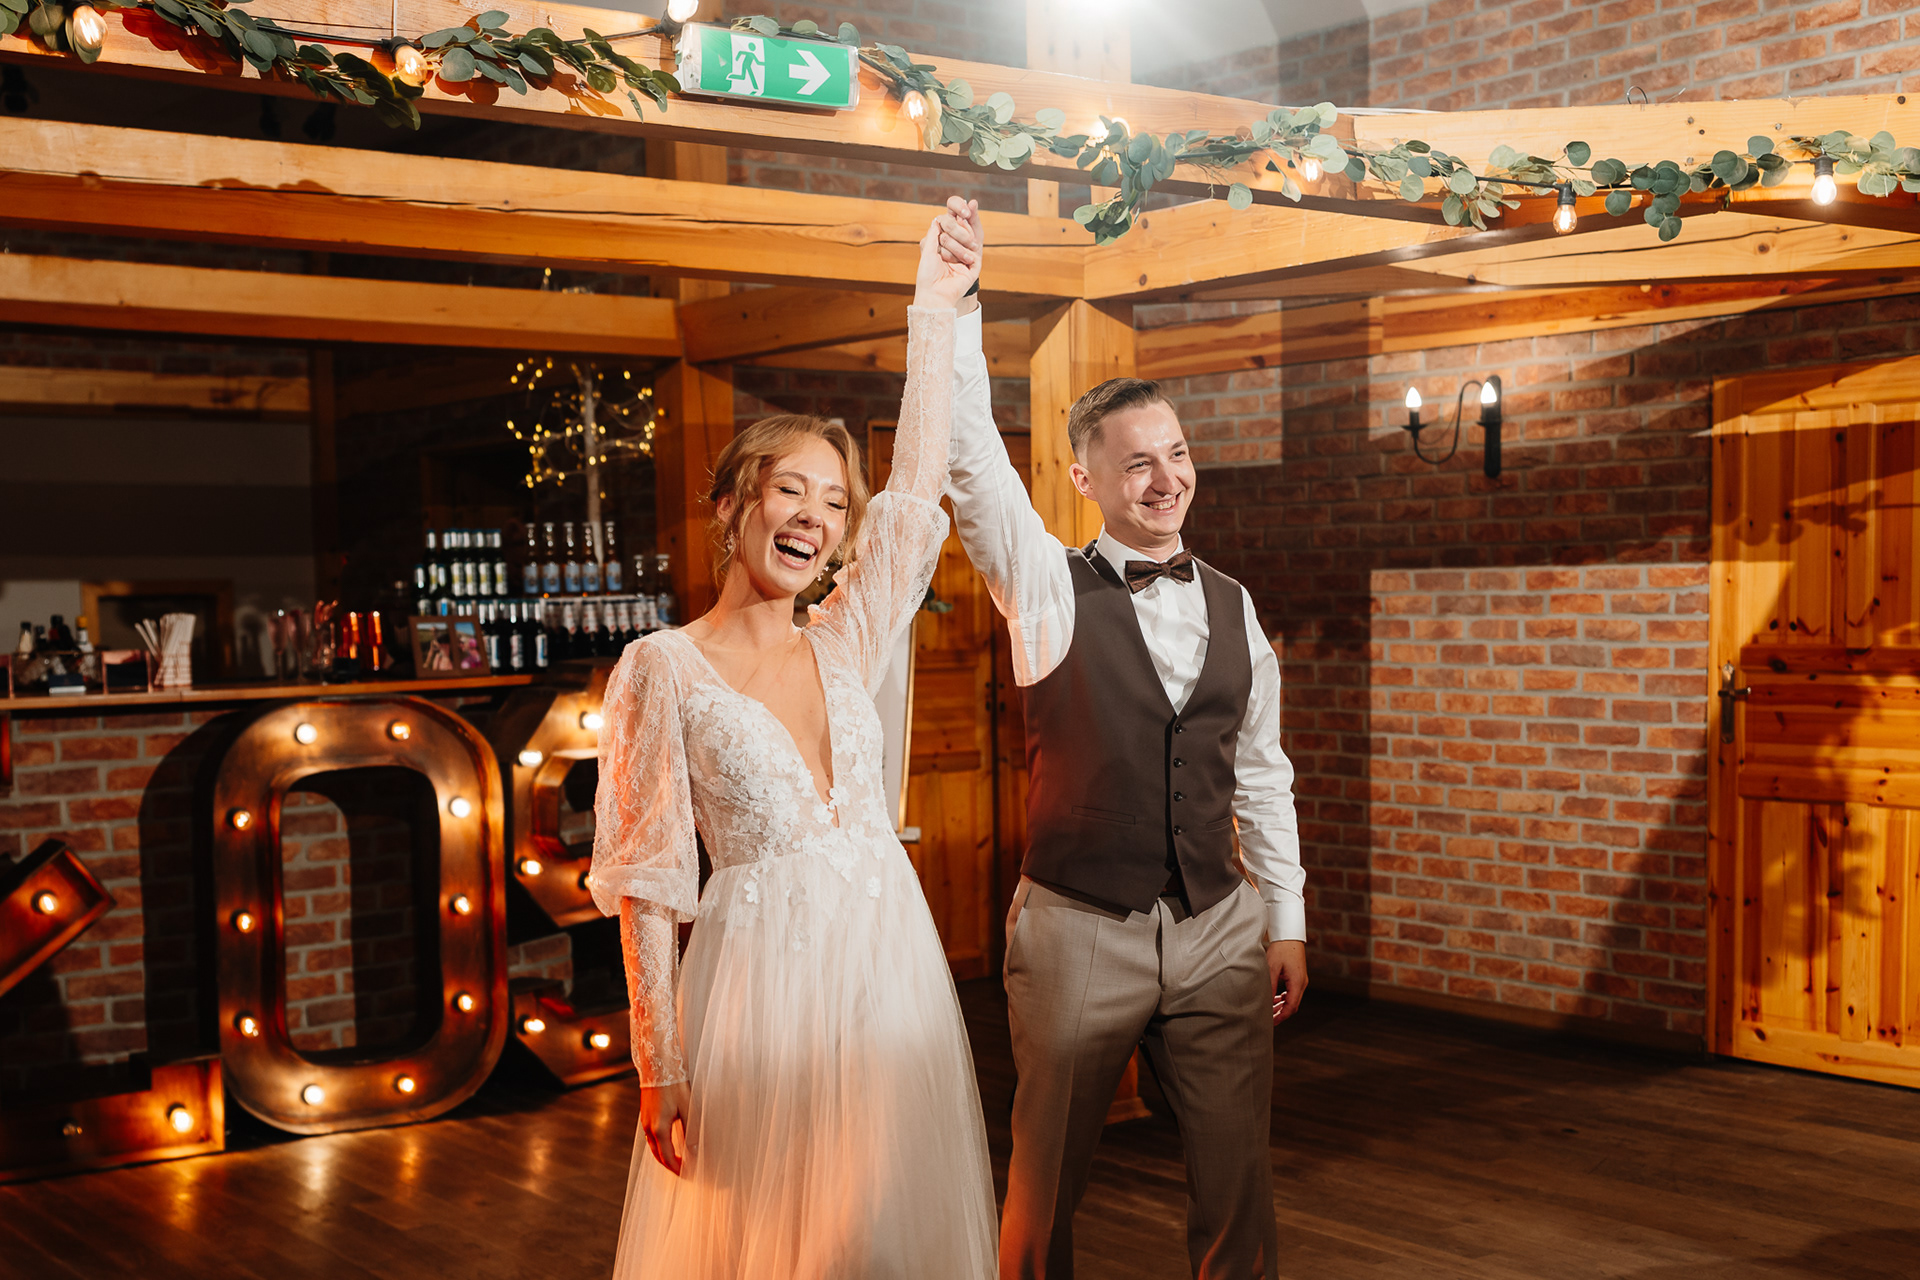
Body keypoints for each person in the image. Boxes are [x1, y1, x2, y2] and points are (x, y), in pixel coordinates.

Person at [587, 206, 995, 1279]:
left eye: (833, 502)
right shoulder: (662, 668)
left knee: (884, 1234)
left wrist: (933, 308)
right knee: (781, 1243)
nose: (815, 515)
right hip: (760, 995)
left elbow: (916, 487)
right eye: (789, 490)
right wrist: (658, 1066)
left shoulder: (849, 634)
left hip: (890, 978)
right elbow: (647, 884)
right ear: (733, 507)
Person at [939, 199, 1308, 1280]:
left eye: (1178, 454)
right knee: (1047, 1177)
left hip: (1219, 926)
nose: (1166, 478)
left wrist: (1283, 919)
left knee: (1237, 1178)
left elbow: (1262, 774)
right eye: (1138, 462)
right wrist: (956, 302)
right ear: (1086, 480)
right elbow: (971, 459)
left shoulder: (1235, 602)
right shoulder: (1043, 586)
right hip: (1077, 928)